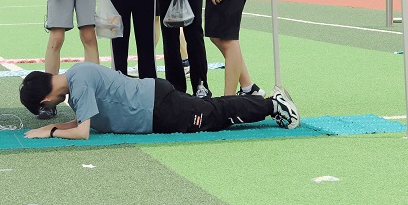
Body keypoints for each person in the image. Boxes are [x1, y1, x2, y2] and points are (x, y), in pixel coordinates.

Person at [19, 62, 299, 139]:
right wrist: (51, 128)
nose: (48, 110)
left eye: (43, 109)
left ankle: (272, 104)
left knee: (214, 115)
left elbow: (82, 132)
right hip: (154, 104)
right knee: (212, 111)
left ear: (45, 99)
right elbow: (82, 122)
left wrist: (52, 132)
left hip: (157, 108)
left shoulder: (78, 82)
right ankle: (270, 104)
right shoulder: (75, 78)